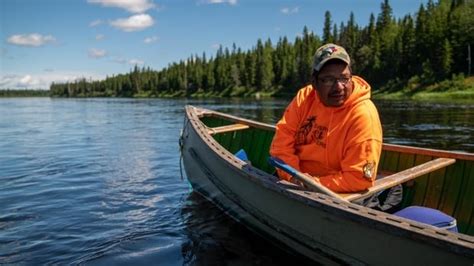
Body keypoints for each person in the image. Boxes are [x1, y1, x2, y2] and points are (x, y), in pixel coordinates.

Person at [269, 43, 383, 193]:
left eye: (344, 78)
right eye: (328, 80)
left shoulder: (363, 115)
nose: (339, 87)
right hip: (296, 177)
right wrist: (294, 177)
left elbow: (358, 178)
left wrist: (312, 184)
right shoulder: (304, 98)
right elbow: (281, 145)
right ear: (314, 82)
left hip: (337, 192)